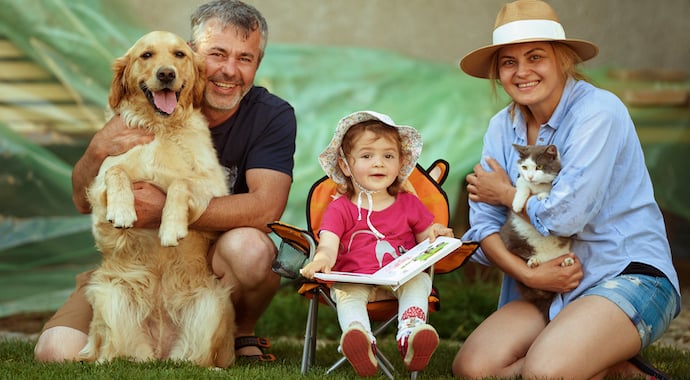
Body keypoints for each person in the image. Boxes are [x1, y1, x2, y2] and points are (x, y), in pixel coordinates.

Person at [34, 0, 296, 363]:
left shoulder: (271, 116)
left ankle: (239, 332)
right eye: (217, 54)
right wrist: (96, 151)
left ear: (257, 65)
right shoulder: (138, 105)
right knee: (55, 352)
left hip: (203, 265)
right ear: (193, 55)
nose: (229, 70)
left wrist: (166, 209)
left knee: (251, 249)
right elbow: (82, 201)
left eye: (245, 58)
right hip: (133, 266)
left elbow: (267, 208)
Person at [451, 1, 681, 379]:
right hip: (545, 287)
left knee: (545, 372)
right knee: (473, 368)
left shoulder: (598, 113)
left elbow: (567, 216)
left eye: (535, 56)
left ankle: (580, 356)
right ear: (498, 72)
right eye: (508, 62)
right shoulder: (500, 126)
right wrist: (530, 277)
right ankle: (606, 364)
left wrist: (508, 194)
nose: (522, 72)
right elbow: (484, 226)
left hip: (624, 274)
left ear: (562, 60)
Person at [299, 111, 453, 376]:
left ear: (401, 162)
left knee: (419, 280)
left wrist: (436, 233)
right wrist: (321, 260)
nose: (379, 164)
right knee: (347, 292)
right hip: (355, 277)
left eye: (388, 156)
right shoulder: (340, 209)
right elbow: (328, 244)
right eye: (367, 156)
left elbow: (426, 240)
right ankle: (359, 339)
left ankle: (411, 333)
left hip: (399, 277)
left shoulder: (409, 203)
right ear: (346, 166)